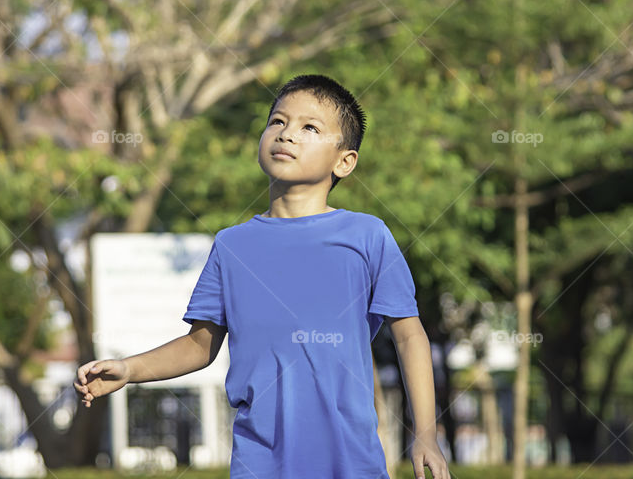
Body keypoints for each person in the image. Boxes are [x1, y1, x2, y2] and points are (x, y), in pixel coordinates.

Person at [75, 74, 449, 478]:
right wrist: (130, 370)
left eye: (310, 127)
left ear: (344, 161)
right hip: (259, 464)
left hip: (351, 462)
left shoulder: (367, 236)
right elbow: (200, 347)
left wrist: (425, 433)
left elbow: (410, 336)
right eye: (277, 121)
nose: (286, 134)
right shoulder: (232, 246)